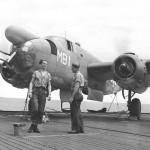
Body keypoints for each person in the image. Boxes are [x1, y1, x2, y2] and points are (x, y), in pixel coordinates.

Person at [28, 59, 51, 133]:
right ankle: (32, 124)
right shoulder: (36, 73)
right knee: (35, 108)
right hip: (35, 91)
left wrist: (49, 94)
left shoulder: (48, 74)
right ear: (41, 64)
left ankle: (35, 126)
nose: (45, 65)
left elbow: (49, 85)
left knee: (41, 111)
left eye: (46, 64)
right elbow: (31, 82)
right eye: (44, 63)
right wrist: (30, 91)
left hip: (43, 92)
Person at [68, 63, 84, 134]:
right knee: (78, 112)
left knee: (74, 113)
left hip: (76, 95)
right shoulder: (79, 74)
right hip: (79, 94)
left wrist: (72, 97)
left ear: (76, 68)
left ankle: (75, 129)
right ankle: (80, 128)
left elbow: (76, 86)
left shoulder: (77, 75)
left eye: (73, 68)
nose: (71, 69)